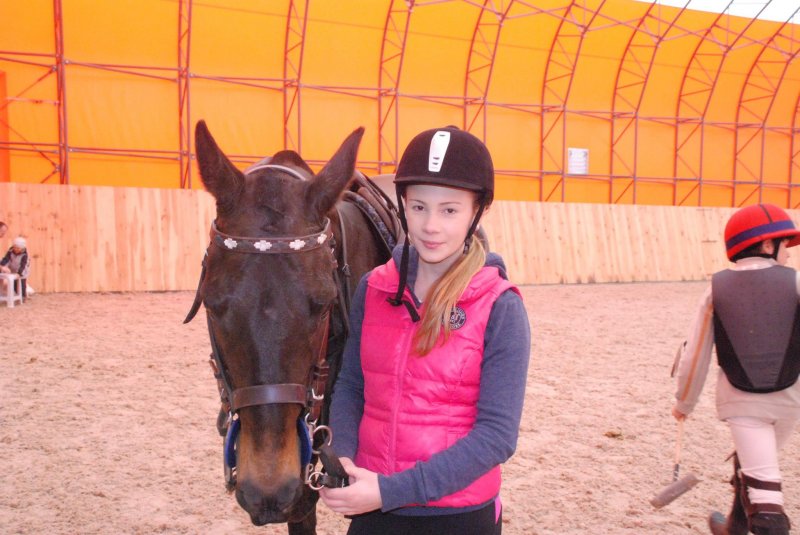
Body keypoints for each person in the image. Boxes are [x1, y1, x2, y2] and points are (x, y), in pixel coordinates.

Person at [319, 126, 531, 535]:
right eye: (419, 207)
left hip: (456, 516)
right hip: (373, 507)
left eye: (449, 210)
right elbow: (352, 385)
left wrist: (391, 491)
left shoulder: (501, 306)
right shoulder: (373, 288)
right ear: (403, 205)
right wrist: (342, 455)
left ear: (477, 213)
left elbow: (497, 436)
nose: (431, 226)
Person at [672, 203, 800, 535]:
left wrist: (684, 402)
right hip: (790, 398)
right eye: (785, 245)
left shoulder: (714, 290)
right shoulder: (797, 282)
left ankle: (744, 523)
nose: (789, 253)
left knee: (762, 482)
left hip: (740, 402)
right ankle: (735, 525)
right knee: (759, 467)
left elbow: (695, 355)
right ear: (768, 244)